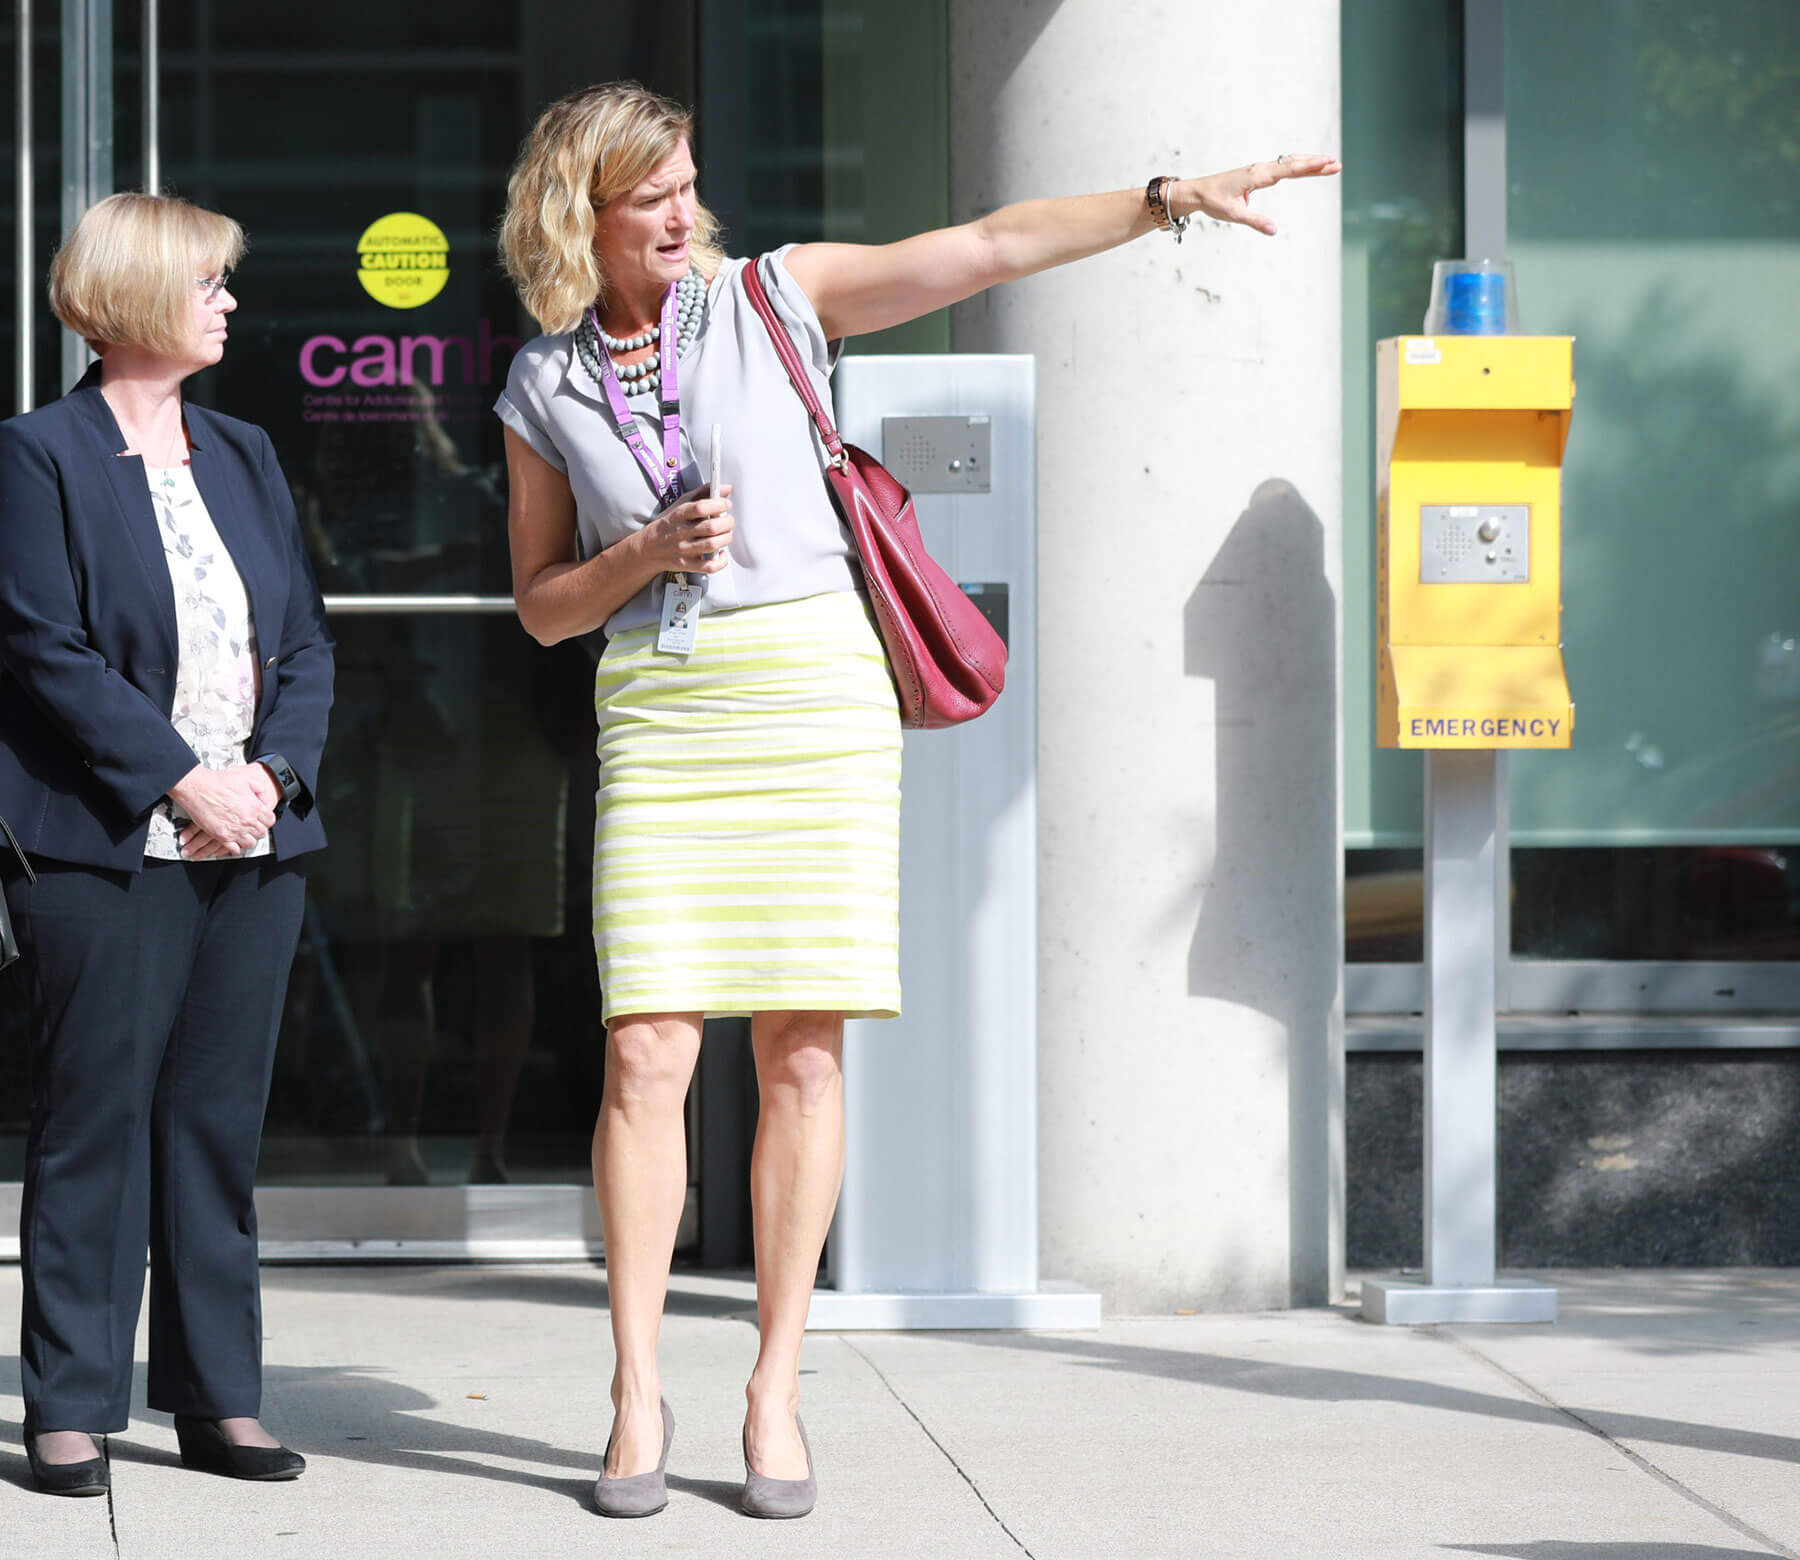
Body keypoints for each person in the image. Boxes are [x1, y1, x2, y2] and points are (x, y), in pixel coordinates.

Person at [490, 82, 1339, 1520]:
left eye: (690, 179)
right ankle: (637, 1385)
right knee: (645, 1053)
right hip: (665, 707)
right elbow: (539, 609)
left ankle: (774, 1385)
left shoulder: (774, 295)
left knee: (803, 1057)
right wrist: (641, 556)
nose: (684, 210)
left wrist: (1167, 200)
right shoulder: (541, 384)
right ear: (583, 215)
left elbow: (992, 244)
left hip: (815, 691)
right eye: (652, 195)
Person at [0, 192, 334, 1496]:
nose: (230, 302)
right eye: (207, 283)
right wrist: (184, 780)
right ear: (132, 296)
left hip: (255, 841)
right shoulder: (39, 451)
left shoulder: (240, 450)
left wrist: (271, 777)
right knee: (93, 1122)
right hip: (110, 844)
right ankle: (70, 1405)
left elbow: (301, 645)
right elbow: (43, 647)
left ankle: (217, 1398)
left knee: (213, 1127)